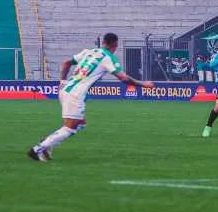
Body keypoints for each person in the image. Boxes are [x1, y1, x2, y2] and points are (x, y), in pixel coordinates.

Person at [28, 33, 153, 162]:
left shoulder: (89, 52)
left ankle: (47, 142)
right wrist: (143, 84)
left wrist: (63, 82)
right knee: (70, 128)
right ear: (115, 44)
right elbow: (123, 78)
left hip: (66, 90)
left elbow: (66, 62)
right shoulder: (108, 58)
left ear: (103, 42)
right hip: (75, 94)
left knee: (80, 123)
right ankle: (38, 149)